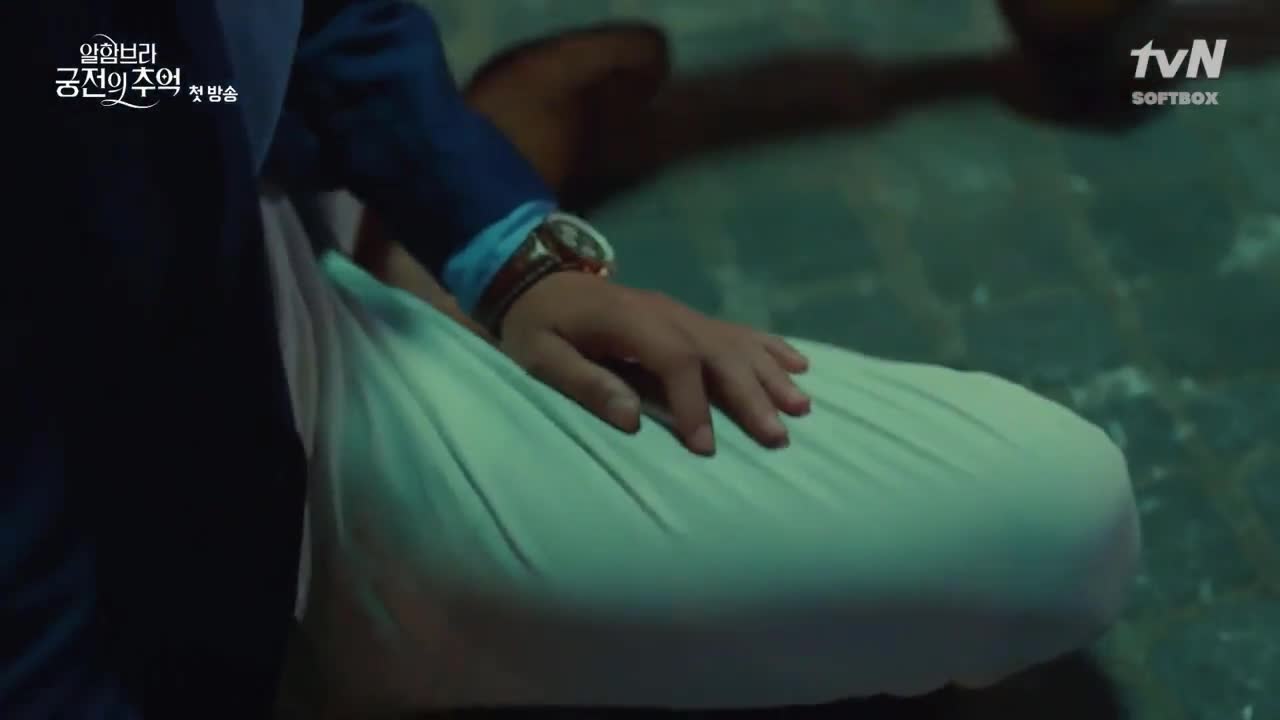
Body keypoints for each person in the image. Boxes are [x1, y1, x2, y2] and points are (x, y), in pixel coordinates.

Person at [7, 2, 1139, 718]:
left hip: (247, 258)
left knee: (1056, 514)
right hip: (154, 498)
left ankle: (409, 230)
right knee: (1045, 514)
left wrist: (508, 251)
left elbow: (273, 32)